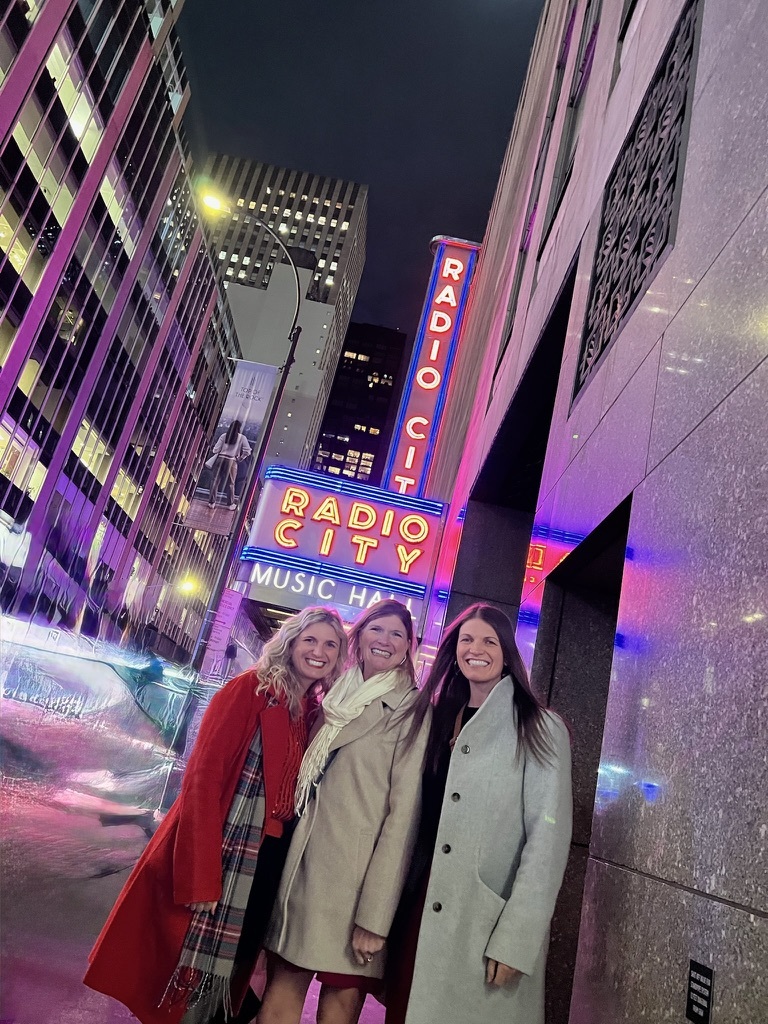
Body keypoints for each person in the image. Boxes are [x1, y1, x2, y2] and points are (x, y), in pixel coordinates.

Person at [84, 607, 348, 1024]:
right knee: (190, 980)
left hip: (269, 858)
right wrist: (202, 874)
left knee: (234, 970)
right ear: (291, 642)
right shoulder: (249, 690)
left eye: (331, 644)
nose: (319, 651)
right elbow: (202, 781)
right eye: (310, 640)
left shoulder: (311, 711)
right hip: (228, 853)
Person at [385, 603, 572, 1024]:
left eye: (490, 641)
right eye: (467, 639)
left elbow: (547, 843)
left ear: (507, 652)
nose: (477, 649)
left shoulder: (540, 726)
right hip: (420, 906)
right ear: (454, 650)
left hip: (482, 920)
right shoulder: (435, 718)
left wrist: (516, 940)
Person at [258, 599, 430, 1024]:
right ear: (360, 636)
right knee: (277, 1005)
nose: (385, 641)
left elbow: (403, 819)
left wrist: (375, 916)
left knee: (338, 1012)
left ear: (409, 646)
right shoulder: (332, 695)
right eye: (376, 629)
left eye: (397, 634)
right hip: (302, 875)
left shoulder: (411, 710)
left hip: (356, 888)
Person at [208, 420, 252, 510]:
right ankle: (230, 504)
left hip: (220, 459)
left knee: (215, 481)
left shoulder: (224, 436)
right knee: (231, 483)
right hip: (232, 461)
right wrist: (240, 458)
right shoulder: (242, 437)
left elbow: (215, 450)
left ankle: (212, 502)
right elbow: (247, 451)